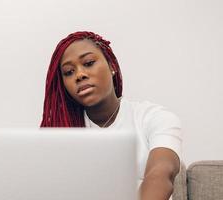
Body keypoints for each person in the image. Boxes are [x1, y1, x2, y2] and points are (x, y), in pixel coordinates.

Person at [40, 31, 182, 200]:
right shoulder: (62, 133)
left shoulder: (153, 118)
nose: (79, 75)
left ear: (112, 66)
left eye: (89, 62)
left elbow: (160, 175)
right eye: (69, 72)